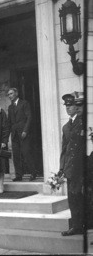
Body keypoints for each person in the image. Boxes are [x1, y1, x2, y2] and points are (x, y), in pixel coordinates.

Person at [59, 92, 85, 236]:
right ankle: (76, 226)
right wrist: (61, 168)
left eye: (72, 106)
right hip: (71, 169)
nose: (68, 108)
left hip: (83, 168)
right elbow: (64, 150)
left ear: (78, 107)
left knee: (85, 197)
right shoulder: (66, 127)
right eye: (67, 106)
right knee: (73, 198)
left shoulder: (84, 122)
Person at [7, 88, 36, 182]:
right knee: (16, 155)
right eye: (8, 94)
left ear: (16, 93)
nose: (10, 96)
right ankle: (19, 175)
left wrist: (25, 130)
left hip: (23, 133)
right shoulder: (10, 107)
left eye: (11, 93)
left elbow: (29, 117)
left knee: (26, 153)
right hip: (14, 133)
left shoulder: (24, 103)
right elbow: (9, 122)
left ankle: (33, 173)